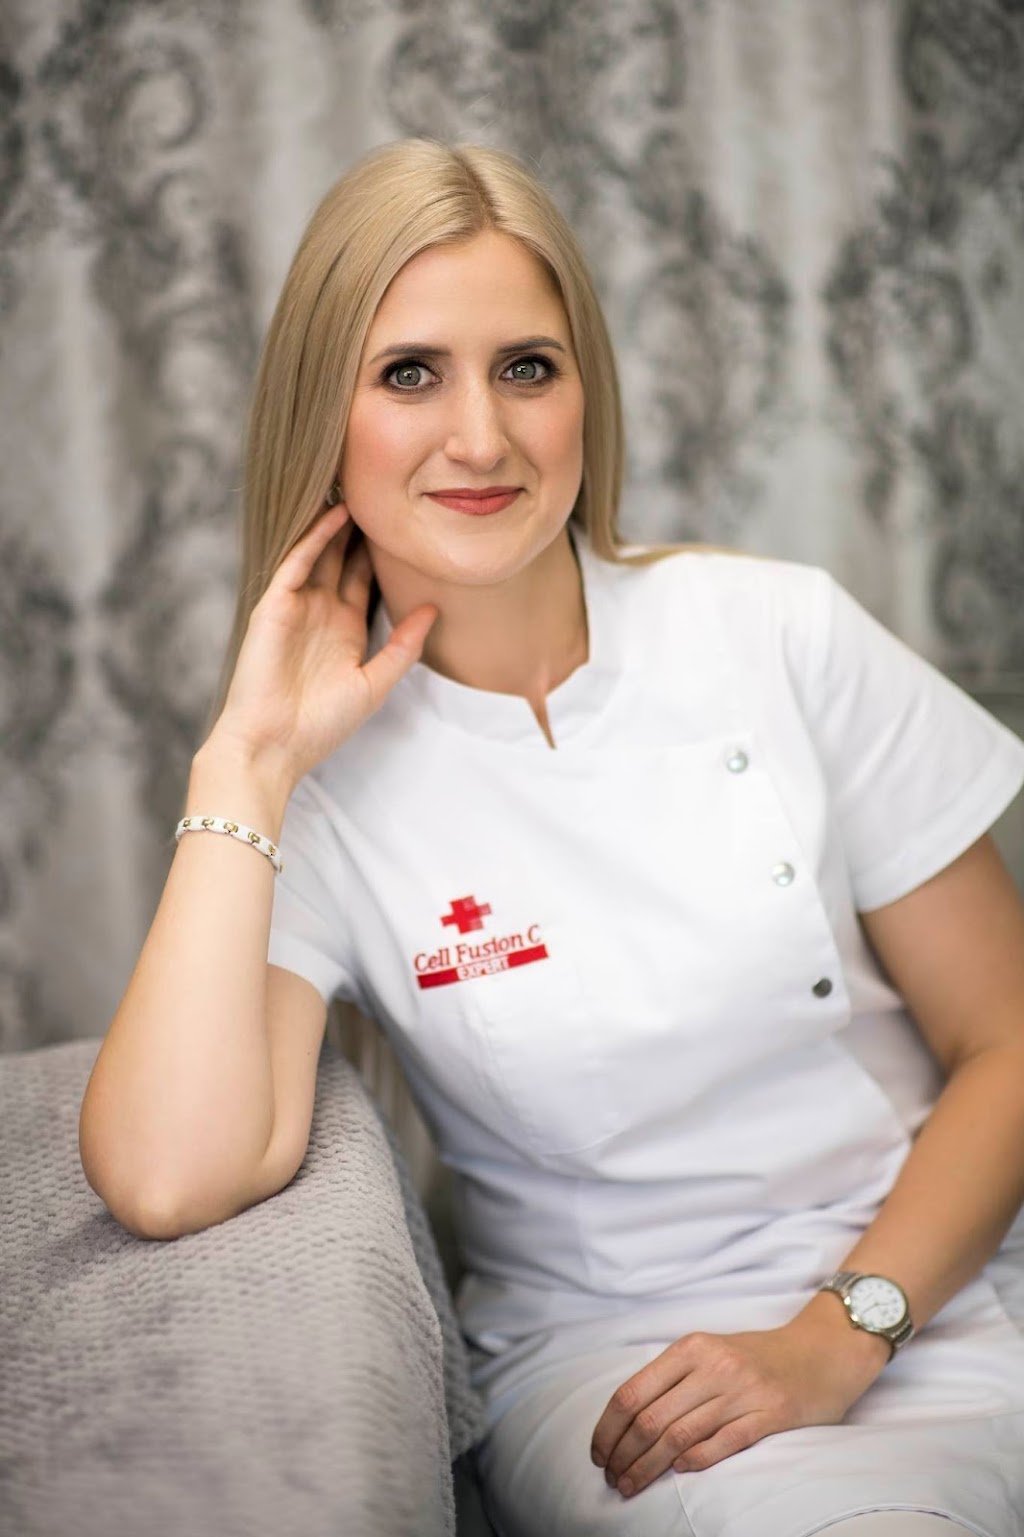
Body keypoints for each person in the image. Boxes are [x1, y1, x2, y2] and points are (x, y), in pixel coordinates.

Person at [78, 137, 1024, 1537]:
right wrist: (245, 758)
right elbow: (167, 1174)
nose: (481, 438)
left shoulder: (778, 632)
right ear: (322, 414)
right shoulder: (312, 796)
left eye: (527, 366)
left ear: (589, 393)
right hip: (637, 1378)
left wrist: (844, 1329)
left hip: (941, 1288)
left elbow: (1008, 1037)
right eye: (411, 374)